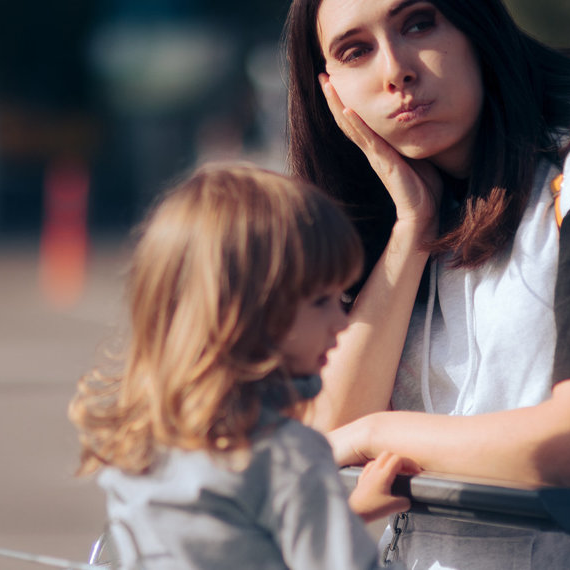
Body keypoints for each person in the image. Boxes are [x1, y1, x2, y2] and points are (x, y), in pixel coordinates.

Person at [283, 0, 570, 568]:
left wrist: (380, 434)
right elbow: (333, 430)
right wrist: (413, 228)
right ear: (331, 91)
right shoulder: (414, 208)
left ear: (476, 23)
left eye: (418, 23)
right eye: (357, 50)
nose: (395, 69)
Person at [69, 163, 416, 569]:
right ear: (248, 315)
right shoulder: (288, 456)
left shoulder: (139, 438)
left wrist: (345, 512)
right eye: (322, 301)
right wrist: (328, 514)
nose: (341, 322)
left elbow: (218, 543)